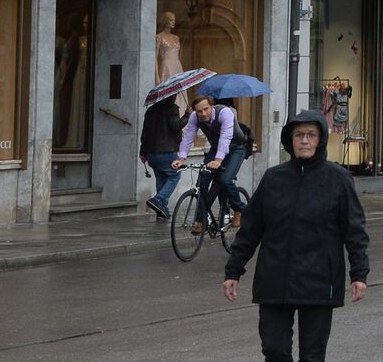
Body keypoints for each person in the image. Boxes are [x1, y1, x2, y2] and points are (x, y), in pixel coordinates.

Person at [222, 110, 370, 362]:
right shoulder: (274, 178)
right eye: (299, 135)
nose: (304, 141)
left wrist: (359, 274)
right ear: (289, 140)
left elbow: (354, 230)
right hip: (275, 278)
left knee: (312, 356)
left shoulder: (338, 180)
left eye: (311, 135)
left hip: (319, 280)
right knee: (274, 350)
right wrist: (233, 271)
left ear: (320, 139)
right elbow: (251, 229)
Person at [174, 94, 251, 234]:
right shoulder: (194, 117)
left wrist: (218, 160)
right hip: (215, 150)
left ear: (212, 106)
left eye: (206, 109)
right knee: (202, 182)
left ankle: (240, 210)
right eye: (199, 111)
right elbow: (189, 136)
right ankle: (201, 220)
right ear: (195, 111)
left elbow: (226, 137)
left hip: (236, 149)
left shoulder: (225, 112)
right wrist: (182, 158)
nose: (203, 113)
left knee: (225, 180)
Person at [141, 96, 187, 219]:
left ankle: (162, 210)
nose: (176, 96)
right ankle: (158, 199)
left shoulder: (150, 110)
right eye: (174, 95)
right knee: (175, 175)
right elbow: (176, 126)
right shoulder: (172, 108)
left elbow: (145, 132)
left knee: (161, 179)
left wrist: (143, 152)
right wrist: (187, 115)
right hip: (167, 151)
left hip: (151, 153)